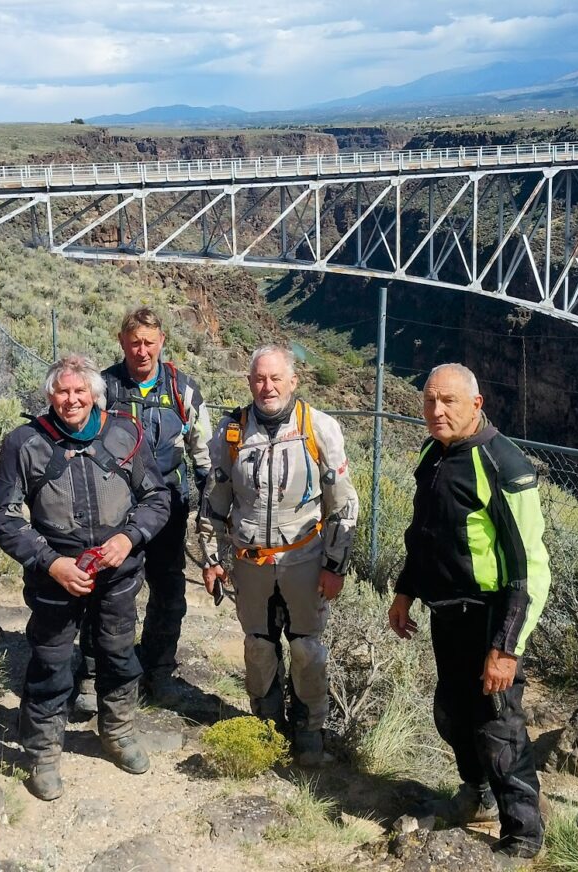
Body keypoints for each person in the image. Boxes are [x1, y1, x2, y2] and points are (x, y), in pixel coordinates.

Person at [388, 363, 550, 859]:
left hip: (489, 615)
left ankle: (523, 837)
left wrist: (505, 647)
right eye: (430, 400)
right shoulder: (433, 452)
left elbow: (530, 569)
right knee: (453, 713)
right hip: (446, 612)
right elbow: (425, 534)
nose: (436, 411)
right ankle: (475, 794)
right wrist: (405, 591)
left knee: (498, 724)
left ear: (477, 405)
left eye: (449, 401)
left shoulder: (503, 464)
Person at [0, 354, 169, 801]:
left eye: (79, 391)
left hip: (118, 570)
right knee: (50, 661)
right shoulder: (25, 442)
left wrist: (128, 539)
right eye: (62, 391)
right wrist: (50, 562)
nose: (71, 399)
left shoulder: (124, 432)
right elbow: (6, 517)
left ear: (94, 394)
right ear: (50, 395)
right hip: (55, 572)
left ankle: (119, 731)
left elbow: (157, 498)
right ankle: (43, 753)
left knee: (117, 651)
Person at [198, 345, 358, 766]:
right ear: (249, 382)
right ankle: (266, 727)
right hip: (250, 563)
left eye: (275, 379)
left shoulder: (318, 428)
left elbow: (343, 504)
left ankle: (308, 731)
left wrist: (335, 566)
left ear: (293, 381)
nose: (266, 387)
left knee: (306, 649)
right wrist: (212, 560)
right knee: (258, 646)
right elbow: (214, 503)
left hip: (304, 559)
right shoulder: (231, 433)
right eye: (258, 379)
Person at [73, 308, 212, 712]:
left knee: (168, 590)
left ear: (162, 342)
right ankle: (95, 672)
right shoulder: (104, 387)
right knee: (106, 587)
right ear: (122, 342)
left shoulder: (183, 390)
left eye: (149, 342)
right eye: (134, 342)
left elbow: (202, 454)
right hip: (113, 505)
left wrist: (209, 506)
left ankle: (158, 671)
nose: (142, 350)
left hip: (168, 505)